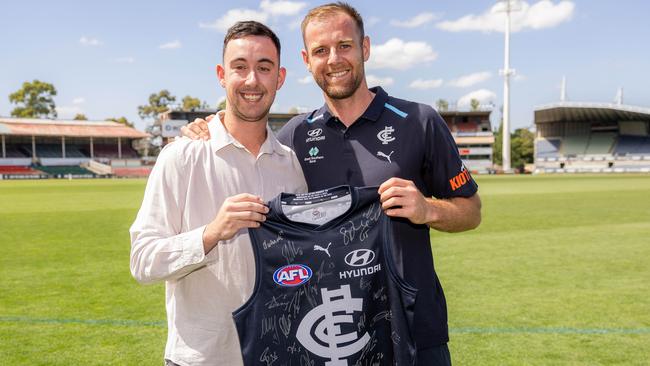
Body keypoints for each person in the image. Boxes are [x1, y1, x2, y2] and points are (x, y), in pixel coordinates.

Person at [182, 2, 481, 364]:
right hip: (335, 332)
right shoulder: (295, 136)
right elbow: (246, 136)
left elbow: (471, 211)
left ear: (364, 48)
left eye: (344, 45)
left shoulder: (419, 121)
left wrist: (428, 208)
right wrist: (207, 127)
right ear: (307, 61)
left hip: (416, 327)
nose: (333, 59)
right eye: (321, 51)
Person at [130, 21, 307, 366]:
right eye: (239, 67)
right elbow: (142, 261)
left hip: (279, 353)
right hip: (202, 358)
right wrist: (211, 234)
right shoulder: (181, 156)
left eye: (264, 68)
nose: (252, 80)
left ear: (280, 78)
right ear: (222, 75)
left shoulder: (291, 166)